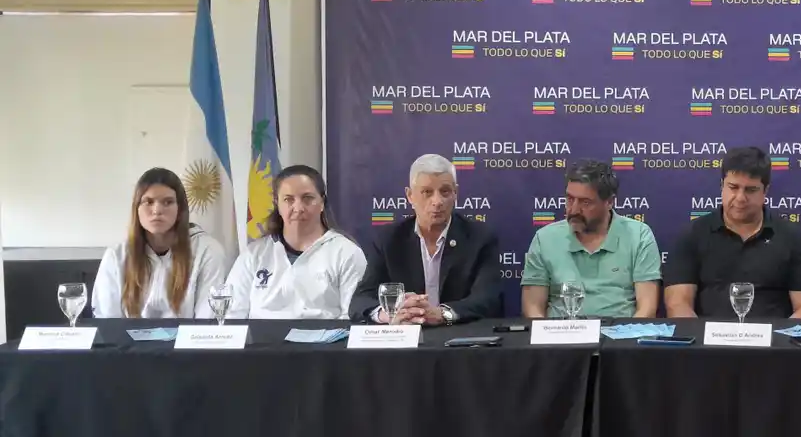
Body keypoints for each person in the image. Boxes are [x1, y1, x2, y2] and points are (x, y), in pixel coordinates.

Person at [664, 146, 801, 319]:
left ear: (765, 191)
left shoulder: (792, 237)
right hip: (709, 342)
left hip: (773, 342)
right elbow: (677, 303)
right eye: (733, 187)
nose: (740, 198)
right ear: (722, 186)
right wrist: (702, 342)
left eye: (750, 190)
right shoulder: (693, 235)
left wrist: (781, 342)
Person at [349, 154, 502, 324]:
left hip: (459, 338)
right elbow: (360, 301)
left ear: (456, 193)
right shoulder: (389, 239)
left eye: (445, 192)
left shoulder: (480, 237)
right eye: (427, 192)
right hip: (404, 337)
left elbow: (488, 299)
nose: (437, 201)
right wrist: (390, 314)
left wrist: (443, 314)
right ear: (410, 196)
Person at [521, 160, 661, 318]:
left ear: (609, 202)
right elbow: (533, 307)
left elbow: (647, 308)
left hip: (620, 335)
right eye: (569, 199)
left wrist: (625, 339)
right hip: (560, 337)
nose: (573, 210)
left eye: (585, 202)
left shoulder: (639, 235)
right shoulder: (545, 238)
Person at [224, 165, 368, 319]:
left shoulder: (346, 252)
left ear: (322, 203)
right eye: (288, 199)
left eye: (307, 198)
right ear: (277, 204)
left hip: (325, 342)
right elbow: (232, 315)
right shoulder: (254, 254)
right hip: (261, 342)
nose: (298, 207)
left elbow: (353, 316)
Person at [93, 168, 230, 319]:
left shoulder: (207, 251)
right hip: (128, 342)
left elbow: (207, 321)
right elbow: (107, 321)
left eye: (168, 202)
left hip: (187, 342)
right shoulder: (116, 255)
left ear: (180, 208)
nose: (157, 210)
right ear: (136, 208)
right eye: (148, 202)